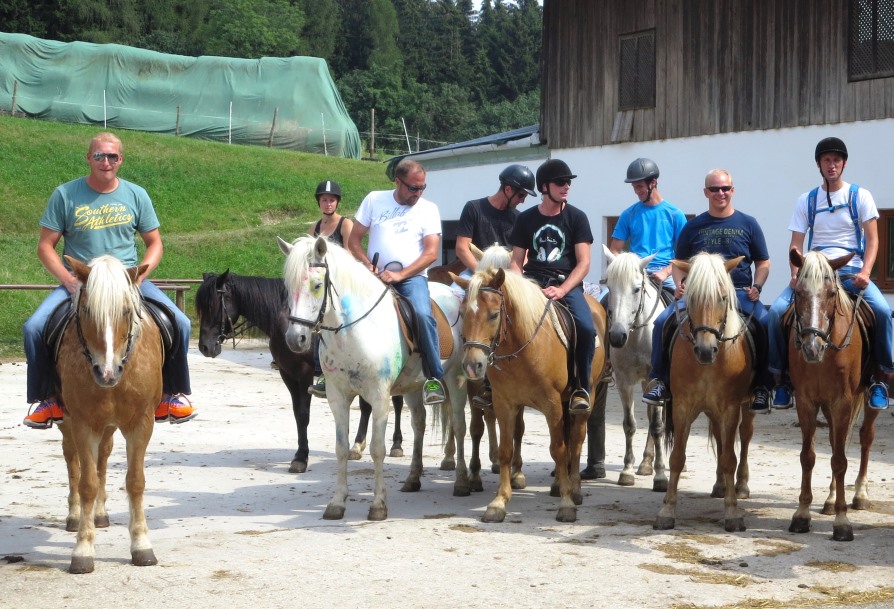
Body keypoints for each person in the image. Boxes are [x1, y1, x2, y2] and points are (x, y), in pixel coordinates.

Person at [22, 132, 196, 429]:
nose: (106, 162)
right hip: (85, 281)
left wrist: (140, 276)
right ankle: (46, 399)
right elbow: (44, 247)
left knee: (181, 322)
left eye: (112, 156)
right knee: (34, 327)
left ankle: (170, 395)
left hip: (125, 279)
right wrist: (69, 281)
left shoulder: (136, 194)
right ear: (88, 158)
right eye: (100, 155)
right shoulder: (65, 194)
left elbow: (155, 243)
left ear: (121, 160)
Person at [768, 137, 893, 411]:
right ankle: (780, 379)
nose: (832, 164)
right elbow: (796, 244)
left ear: (844, 163)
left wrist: (866, 271)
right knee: (776, 313)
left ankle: (881, 378)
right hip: (814, 271)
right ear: (819, 165)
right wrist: (794, 271)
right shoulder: (806, 200)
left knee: (883, 312)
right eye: (827, 160)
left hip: (850, 271)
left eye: (837, 160)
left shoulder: (860, 195)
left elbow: (873, 240)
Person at [642, 169, 772, 412]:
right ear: (706, 192)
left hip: (738, 292)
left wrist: (758, 286)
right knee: (661, 322)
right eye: (714, 189)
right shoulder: (694, 226)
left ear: (732, 190)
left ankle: (763, 386)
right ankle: (659, 380)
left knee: (766, 322)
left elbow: (763, 262)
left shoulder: (748, 223)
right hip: (698, 295)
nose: (720, 193)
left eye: (724, 188)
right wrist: (680, 285)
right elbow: (679, 262)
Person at [347, 159, 446, 405]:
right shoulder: (374, 200)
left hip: (411, 278)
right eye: (413, 188)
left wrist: (401, 275)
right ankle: (326, 370)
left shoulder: (428, 209)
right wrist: (368, 265)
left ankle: (433, 377)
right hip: (374, 277)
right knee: (340, 307)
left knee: (423, 314)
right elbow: (354, 240)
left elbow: (431, 253)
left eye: (422, 188)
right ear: (398, 182)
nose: (418, 193)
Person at [508, 159, 595, 413]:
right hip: (532, 282)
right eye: (561, 182)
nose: (566, 186)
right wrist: (521, 288)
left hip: (565, 283)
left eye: (568, 182)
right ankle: (492, 387)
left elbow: (584, 263)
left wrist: (563, 289)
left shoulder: (577, 217)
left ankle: (581, 387)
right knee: (500, 320)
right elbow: (515, 261)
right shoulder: (525, 219)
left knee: (587, 328)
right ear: (544, 187)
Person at [455, 164, 536, 410]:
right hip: (475, 275)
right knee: (450, 307)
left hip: (505, 280)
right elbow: (461, 247)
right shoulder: (474, 208)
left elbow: (525, 256)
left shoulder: (519, 219)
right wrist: (481, 276)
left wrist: (505, 279)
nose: (522, 200)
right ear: (508, 189)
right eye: (521, 194)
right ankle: (440, 369)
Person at [611, 158, 688, 291]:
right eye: (634, 187)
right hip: (635, 273)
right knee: (603, 299)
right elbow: (614, 251)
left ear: (652, 183)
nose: (636, 191)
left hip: (666, 275)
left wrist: (665, 272)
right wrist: (627, 268)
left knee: (689, 303)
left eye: (639, 186)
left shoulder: (675, 214)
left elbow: (686, 254)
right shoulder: (628, 215)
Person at [308, 179, 353, 398]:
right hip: (320, 285)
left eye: (331, 200)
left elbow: (350, 255)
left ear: (337, 203)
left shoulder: (345, 224)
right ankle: (321, 370)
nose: (328, 204)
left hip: (341, 284)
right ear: (319, 202)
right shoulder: (314, 228)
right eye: (324, 200)